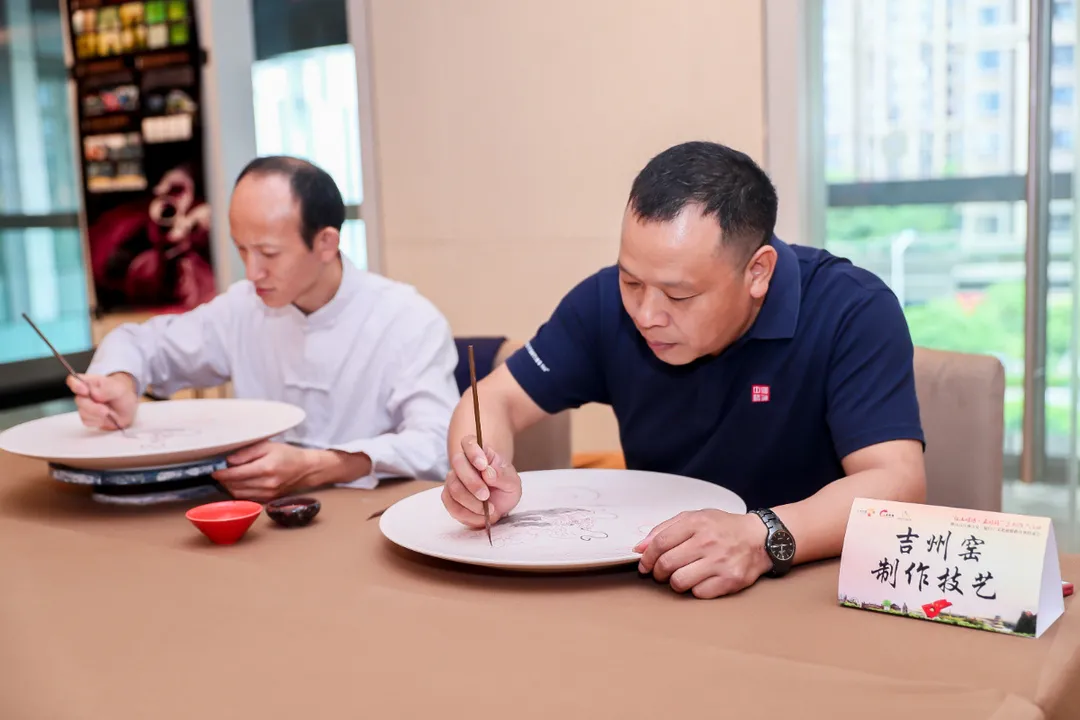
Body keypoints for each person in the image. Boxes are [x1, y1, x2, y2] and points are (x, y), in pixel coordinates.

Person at [441, 141, 926, 599]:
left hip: (804, 586)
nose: (647, 314)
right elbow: (493, 399)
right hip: (654, 582)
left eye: (679, 295)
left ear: (757, 272)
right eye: (631, 280)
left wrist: (761, 535)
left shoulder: (850, 310)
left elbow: (896, 483)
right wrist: (479, 475)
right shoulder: (604, 304)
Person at [70, 156, 460, 501]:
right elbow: (141, 342)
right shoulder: (244, 307)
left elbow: (436, 446)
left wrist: (318, 465)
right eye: (242, 249)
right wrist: (119, 380)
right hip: (260, 520)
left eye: (269, 253)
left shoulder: (407, 320)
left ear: (326, 243)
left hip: (371, 520)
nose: (252, 271)